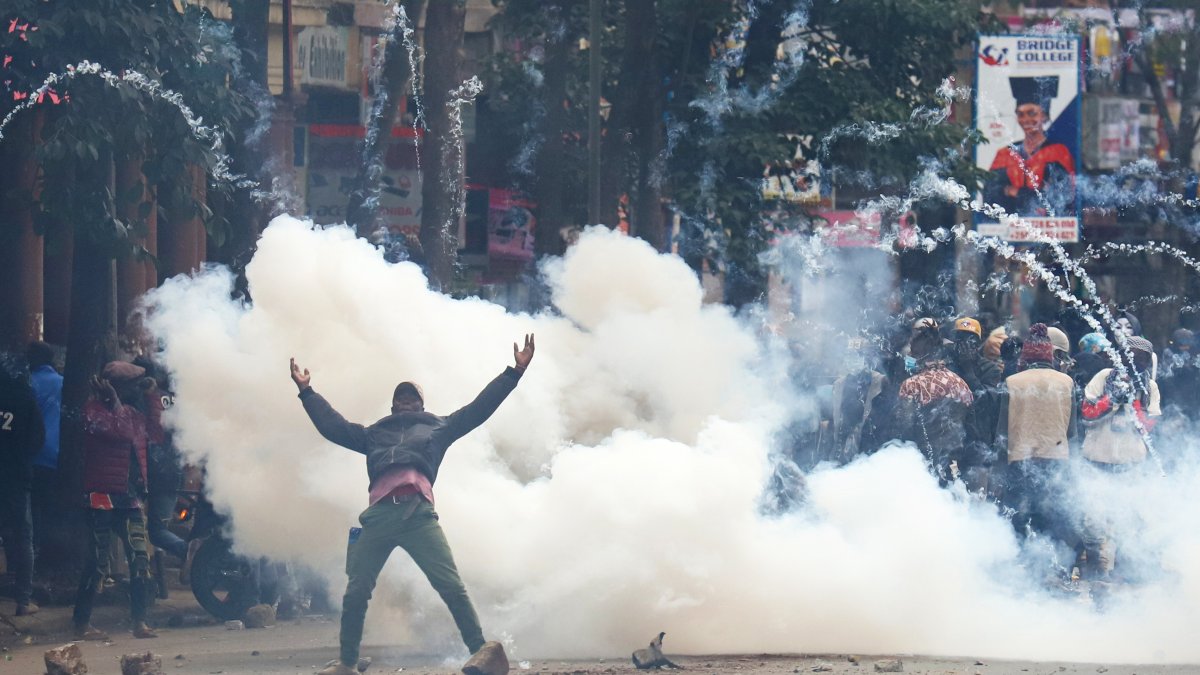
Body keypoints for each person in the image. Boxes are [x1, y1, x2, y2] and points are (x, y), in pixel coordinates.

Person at [292, 335, 535, 675]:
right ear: (393, 407)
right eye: (400, 398)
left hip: (417, 514)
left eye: (411, 398)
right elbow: (333, 426)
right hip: (377, 517)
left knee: (450, 585)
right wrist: (307, 392)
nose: (405, 402)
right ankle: (347, 664)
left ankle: (482, 652)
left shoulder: (439, 427)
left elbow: (479, 409)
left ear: (421, 405)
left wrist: (515, 372)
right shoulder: (374, 434)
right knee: (357, 591)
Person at [72, 361, 158, 640]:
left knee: (140, 558)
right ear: (114, 387)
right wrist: (117, 402)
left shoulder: (132, 412)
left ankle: (140, 622)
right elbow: (120, 432)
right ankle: (82, 624)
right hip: (100, 496)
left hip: (129, 497)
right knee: (97, 562)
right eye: (131, 385)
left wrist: (152, 398)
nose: (135, 388)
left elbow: (156, 432)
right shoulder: (92, 412)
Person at [1078, 336, 1161, 594]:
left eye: (1141, 358)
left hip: (1130, 464)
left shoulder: (1150, 387)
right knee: (1093, 519)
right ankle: (1094, 570)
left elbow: (1148, 426)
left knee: (1128, 519)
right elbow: (1087, 414)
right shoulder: (1104, 377)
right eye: (1130, 355)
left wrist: (1134, 401)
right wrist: (1112, 399)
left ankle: (1123, 571)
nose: (1134, 361)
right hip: (1096, 460)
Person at [993, 324, 1078, 557]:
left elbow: (1002, 432)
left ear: (1026, 356)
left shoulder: (1012, 382)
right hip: (1056, 459)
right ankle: (1054, 566)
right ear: (1050, 355)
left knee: (1019, 516)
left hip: (1020, 460)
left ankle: (1021, 566)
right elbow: (1072, 432)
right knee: (1052, 516)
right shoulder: (1066, 382)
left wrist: (998, 470)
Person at [894, 319, 974, 485]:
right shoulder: (960, 383)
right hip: (955, 460)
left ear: (919, 348)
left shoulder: (912, 385)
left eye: (913, 343)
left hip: (922, 463)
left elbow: (904, 427)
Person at [983, 75, 1076, 218]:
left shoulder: (1058, 153)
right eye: (1020, 114)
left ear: (1044, 116)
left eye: (1032, 113)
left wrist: (1011, 191)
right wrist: (1032, 193)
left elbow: (1064, 195)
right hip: (1008, 228)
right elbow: (990, 195)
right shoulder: (1004, 154)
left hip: (1048, 228)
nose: (1026, 119)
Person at [0, 357, 45, 617]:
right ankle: (23, 601)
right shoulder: (24, 396)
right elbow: (37, 438)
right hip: (17, 477)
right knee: (23, 536)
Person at [26, 341, 61, 559]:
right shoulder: (64, 383)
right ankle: (50, 549)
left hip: (34, 454)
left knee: (32, 506)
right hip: (59, 454)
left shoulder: (29, 383)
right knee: (50, 506)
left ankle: (33, 550)